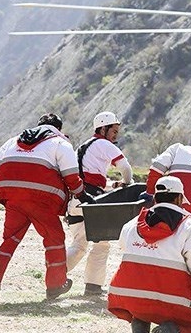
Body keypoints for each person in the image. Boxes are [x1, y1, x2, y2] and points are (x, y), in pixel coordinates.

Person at [0, 113, 95, 306]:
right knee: (54, 238)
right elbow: (71, 176)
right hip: (41, 198)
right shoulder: (60, 143)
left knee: (9, 240)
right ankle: (55, 286)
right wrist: (82, 195)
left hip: (12, 194)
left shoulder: (12, 140)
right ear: (59, 128)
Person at [108, 176, 191, 333]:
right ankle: (170, 329)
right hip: (173, 302)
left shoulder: (132, 224)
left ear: (154, 197)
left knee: (144, 305)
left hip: (128, 297)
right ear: (179, 198)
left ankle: (140, 322)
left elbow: (124, 248)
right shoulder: (189, 227)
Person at [66, 111, 133, 295]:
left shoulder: (82, 147)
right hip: (92, 202)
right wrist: (127, 183)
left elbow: (88, 177)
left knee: (79, 245)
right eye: (114, 130)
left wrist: (112, 185)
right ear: (103, 128)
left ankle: (55, 275)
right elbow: (125, 168)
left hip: (75, 202)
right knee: (101, 243)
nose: (116, 135)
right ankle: (93, 286)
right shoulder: (104, 144)